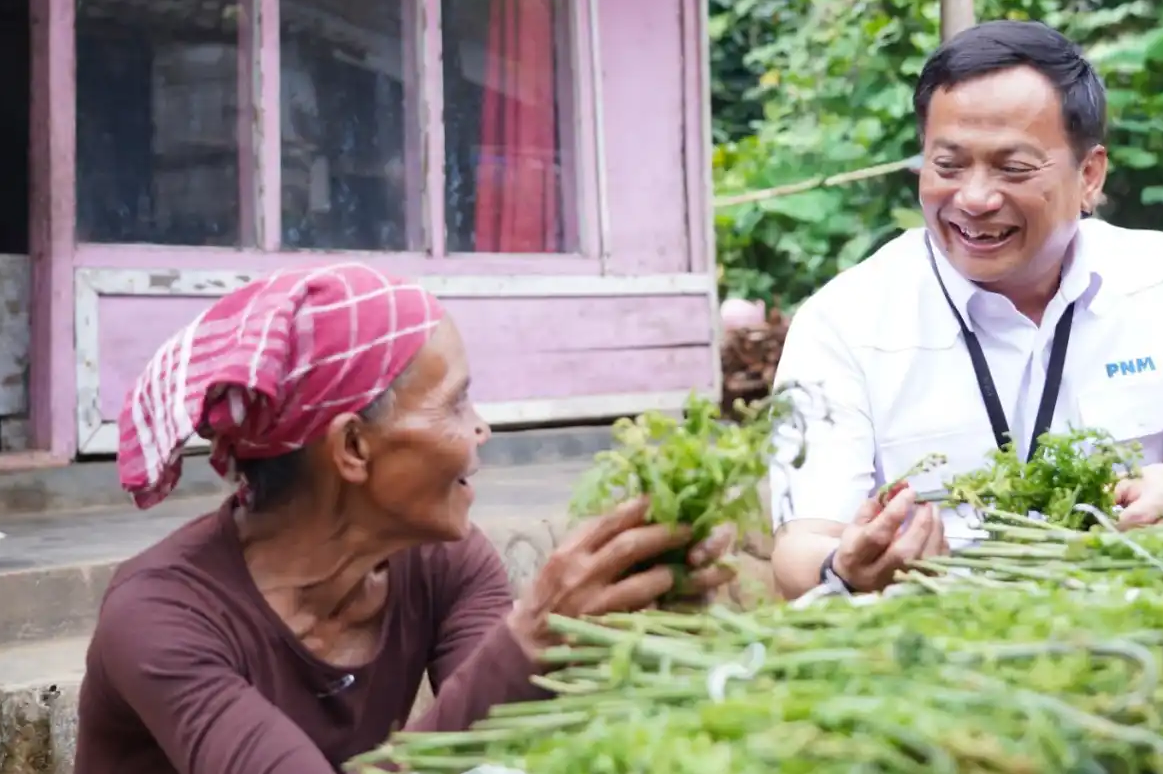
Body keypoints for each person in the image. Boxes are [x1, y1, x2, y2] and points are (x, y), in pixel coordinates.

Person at [74, 264, 734, 774]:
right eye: (455, 404)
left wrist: (628, 634)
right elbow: (495, 684)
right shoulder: (161, 618)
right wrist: (529, 637)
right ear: (353, 448)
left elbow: (509, 741)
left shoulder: (447, 563)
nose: (483, 427)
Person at [768, 20, 1163, 599]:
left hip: (1136, 631)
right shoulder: (844, 321)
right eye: (947, 166)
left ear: (1089, 175)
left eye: (1013, 169)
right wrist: (844, 567)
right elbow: (799, 549)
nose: (974, 199)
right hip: (927, 648)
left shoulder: (1156, 279)